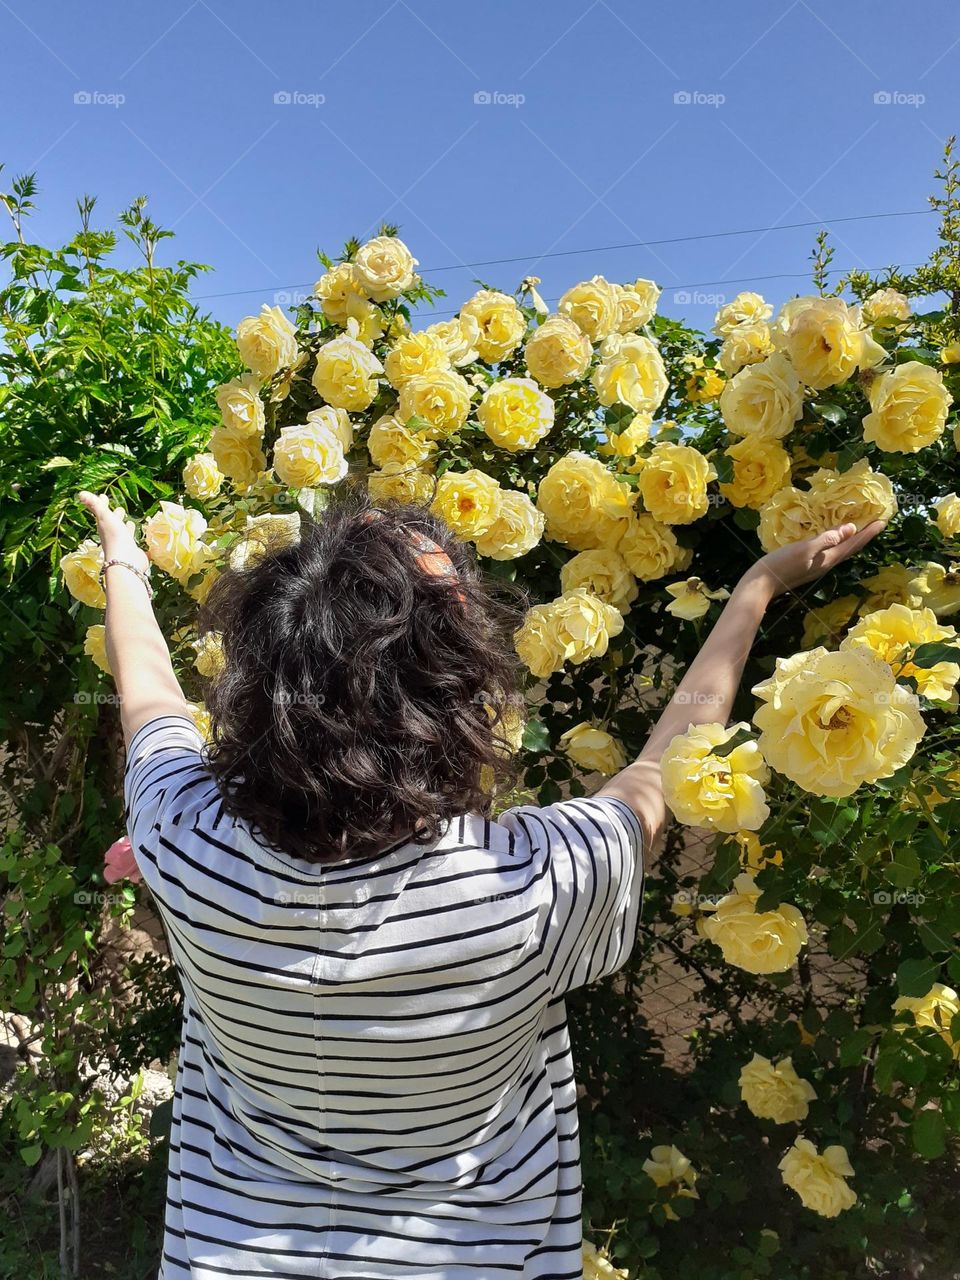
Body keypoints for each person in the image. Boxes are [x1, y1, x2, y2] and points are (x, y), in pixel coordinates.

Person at [79, 485, 881, 1280]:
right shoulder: (529, 887)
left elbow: (148, 692)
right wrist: (757, 587)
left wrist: (123, 562)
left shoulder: (185, 839)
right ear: (459, 694)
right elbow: (662, 766)